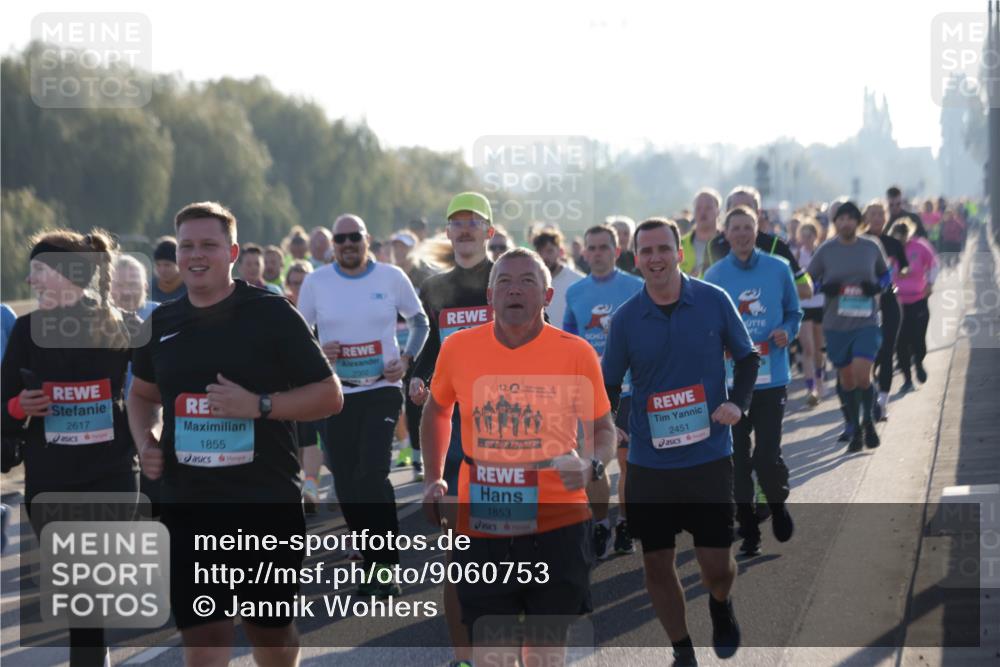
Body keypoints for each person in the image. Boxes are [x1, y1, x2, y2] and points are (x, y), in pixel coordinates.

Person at [128, 202, 342, 667]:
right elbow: (142, 396)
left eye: (209, 244)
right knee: (204, 638)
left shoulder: (271, 313)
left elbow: (329, 395)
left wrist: (261, 406)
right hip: (187, 502)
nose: (196, 255)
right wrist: (147, 441)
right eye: (187, 246)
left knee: (270, 634)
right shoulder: (161, 323)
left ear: (232, 252)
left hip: (263, 500)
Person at [420, 247, 616, 667]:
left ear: (547, 296)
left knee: (544, 655)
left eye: (527, 281)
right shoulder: (458, 348)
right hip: (485, 524)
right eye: (504, 282)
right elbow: (437, 409)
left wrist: (592, 464)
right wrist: (434, 477)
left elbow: (603, 429)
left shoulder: (576, 352)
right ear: (490, 298)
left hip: (558, 521)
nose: (514, 290)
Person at [602, 217, 758, 667]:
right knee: (656, 563)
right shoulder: (627, 319)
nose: (654, 258)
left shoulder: (713, 300)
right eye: (645, 251)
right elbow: (610, 384)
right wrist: (610, 425)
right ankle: (682, 650)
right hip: (651, 465)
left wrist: (738, 404)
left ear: (679, 253)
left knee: (716, 567)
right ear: (636, 258)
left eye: (662, 249)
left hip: (709, 457)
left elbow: (748, 358)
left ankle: (720, 602)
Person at [3, 228, 135, 667]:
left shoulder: (115, 323)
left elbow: (150, 392)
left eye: (38, 271)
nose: (30, 282)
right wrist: (21, 405)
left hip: (111, 472)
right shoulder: (25, 330)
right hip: (50, 477)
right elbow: (4, 405)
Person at [297, 213, 429, 595]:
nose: (348, 244)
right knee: (349, 483)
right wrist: (320, 351)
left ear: (367, 239)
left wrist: (405, 361)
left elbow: (420, 321)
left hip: (380, 390)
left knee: (372, 474)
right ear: (332, 246)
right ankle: (371, 564)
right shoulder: (316, 282)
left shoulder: (390, 277)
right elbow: (300, 333)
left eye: (355, 236)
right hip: (335, 393)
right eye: (341, 239)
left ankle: (385, 569)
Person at [409, 192, 497, 667]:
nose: (464, 230)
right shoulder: (434, 289)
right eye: (456, 224)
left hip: (509, 435)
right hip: (457, 439)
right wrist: (419, 379)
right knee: (460, 559)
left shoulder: (506, 280)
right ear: (448, 234)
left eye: (473, 222)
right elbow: (430, 350)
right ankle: (464, 657)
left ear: (489, 230)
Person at [705, 206, 801, 557]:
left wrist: (786, 331)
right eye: (736, 228)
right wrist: (720, 346)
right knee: (739, 462)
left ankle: (776, 505)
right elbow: (707, 326)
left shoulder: (778, 268)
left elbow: (794, 311)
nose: (743, 234)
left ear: (757, 230)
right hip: (732, 385)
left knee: (766, 456)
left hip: (772, 378)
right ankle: (748, 531)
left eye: (748, 227)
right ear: (726, 233)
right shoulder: (714, 275)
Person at [563, 224, 643, 558]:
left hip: (628, 389)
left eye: (603, 247)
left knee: (627, 463)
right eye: (592, 248)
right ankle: (600, 523)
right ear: (584, 253)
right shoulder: (576, 292)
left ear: (616, 250)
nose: (597, 253)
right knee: (595, 462)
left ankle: (624, 523)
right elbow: (568, 337)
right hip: (590, 392)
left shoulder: (635, 286)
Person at [807, 201, 891, 453]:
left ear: (858, 221)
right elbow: (808, 279)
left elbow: (886, 275)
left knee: (863, 375)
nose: (845, 223)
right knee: (847, 380)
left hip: (866, 321)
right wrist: (823, 288)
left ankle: (867, 423)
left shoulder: (871, 246)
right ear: (835, 223)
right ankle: (854, 426)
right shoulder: (826, 250)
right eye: (840, 219)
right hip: (836, 324)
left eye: (850, 218)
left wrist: (877, 287)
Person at [388, 230, 439, 474]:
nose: (399, 250)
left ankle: (419, 457)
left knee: (416, 399)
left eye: (404, 246)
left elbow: (428, 313)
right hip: (393, 344)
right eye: (396, 245)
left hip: (421, 341)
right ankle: (409, 449)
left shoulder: (425, 273)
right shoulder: (388, 275)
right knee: (398, 400)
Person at [710, 186, 814, 301]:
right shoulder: (715, 246)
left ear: (758, 213)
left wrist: (766, 286)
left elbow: (806, 290)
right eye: (736, 208)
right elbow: (704, 288)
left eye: (747, 208)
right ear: (726, 213)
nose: (741, 214)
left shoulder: (775, 245)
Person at [284, 260, 327, 513]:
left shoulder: (325, 309)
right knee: (295, 439)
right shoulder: (279, 307)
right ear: (287, 285)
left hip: (318, 383)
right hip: (286, 386)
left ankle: (311, 486)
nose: (301, 287)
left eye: (305, 282)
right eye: (295, 282)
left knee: (311, 435)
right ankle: (304, 483)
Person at [861, 201, 908, 421]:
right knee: (869, 356)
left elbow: (904, 265)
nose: (878, 218)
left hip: (889, 302)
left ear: (886, 217)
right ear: (866, 217)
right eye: (873, 214)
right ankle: (869, 396)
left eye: (881, 214)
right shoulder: (860, 243)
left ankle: (882, 403)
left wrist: (902, 273)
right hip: (864, 304)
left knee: (888, 351)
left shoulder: (893, 244)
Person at [891, 220, 938, 391]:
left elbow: (934, 264)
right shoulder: (890, 250)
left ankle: (918, 362)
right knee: (901, 342)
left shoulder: (920, 246)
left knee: (918, 339)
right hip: (898, 303)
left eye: (902, 237)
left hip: (919, 300)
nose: (900, 241)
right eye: (896, 238)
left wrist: (930, 283)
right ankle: (907, 380)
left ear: (908, 235)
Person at [794, 220, 826, 406]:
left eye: (810, 235)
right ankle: (811, 388)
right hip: (804, 305)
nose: (807, 239)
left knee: (819, 349)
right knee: (808, 347)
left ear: (816, 235)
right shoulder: (797, 255)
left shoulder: (822, 253)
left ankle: (820, 380)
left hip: (820, 305)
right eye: (803, 235)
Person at [533, 229, 584, 334]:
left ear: (560, 252)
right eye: (540, 251)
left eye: (549, 251)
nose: (544, 257)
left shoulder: (578, 281)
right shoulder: (528, 282)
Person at [680, 188, 722, 278]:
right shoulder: (680, 244)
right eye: (698, 208)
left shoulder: (728, 243)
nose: (703, 212)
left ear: (718, 211)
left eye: (708, 208)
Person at [150, 236, 187, 303]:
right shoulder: (149, 288)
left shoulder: (191, 287)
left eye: (167, 265)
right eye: (158, 265)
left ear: (178, 264)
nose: (162, 270)